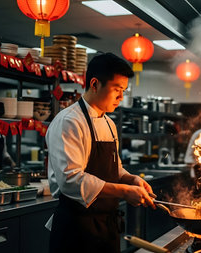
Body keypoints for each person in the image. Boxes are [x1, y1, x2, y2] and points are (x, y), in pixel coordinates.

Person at [46, 52, 155, 253]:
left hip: (106, 226)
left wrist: (131, 180)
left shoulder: (109, 123)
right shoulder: (69, 121)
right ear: (95, 84)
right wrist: (123, 191)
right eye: (117, 89)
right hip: (77, 229)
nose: (121, 97)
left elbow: (116, 169)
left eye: (124, 90)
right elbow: (70, 180)